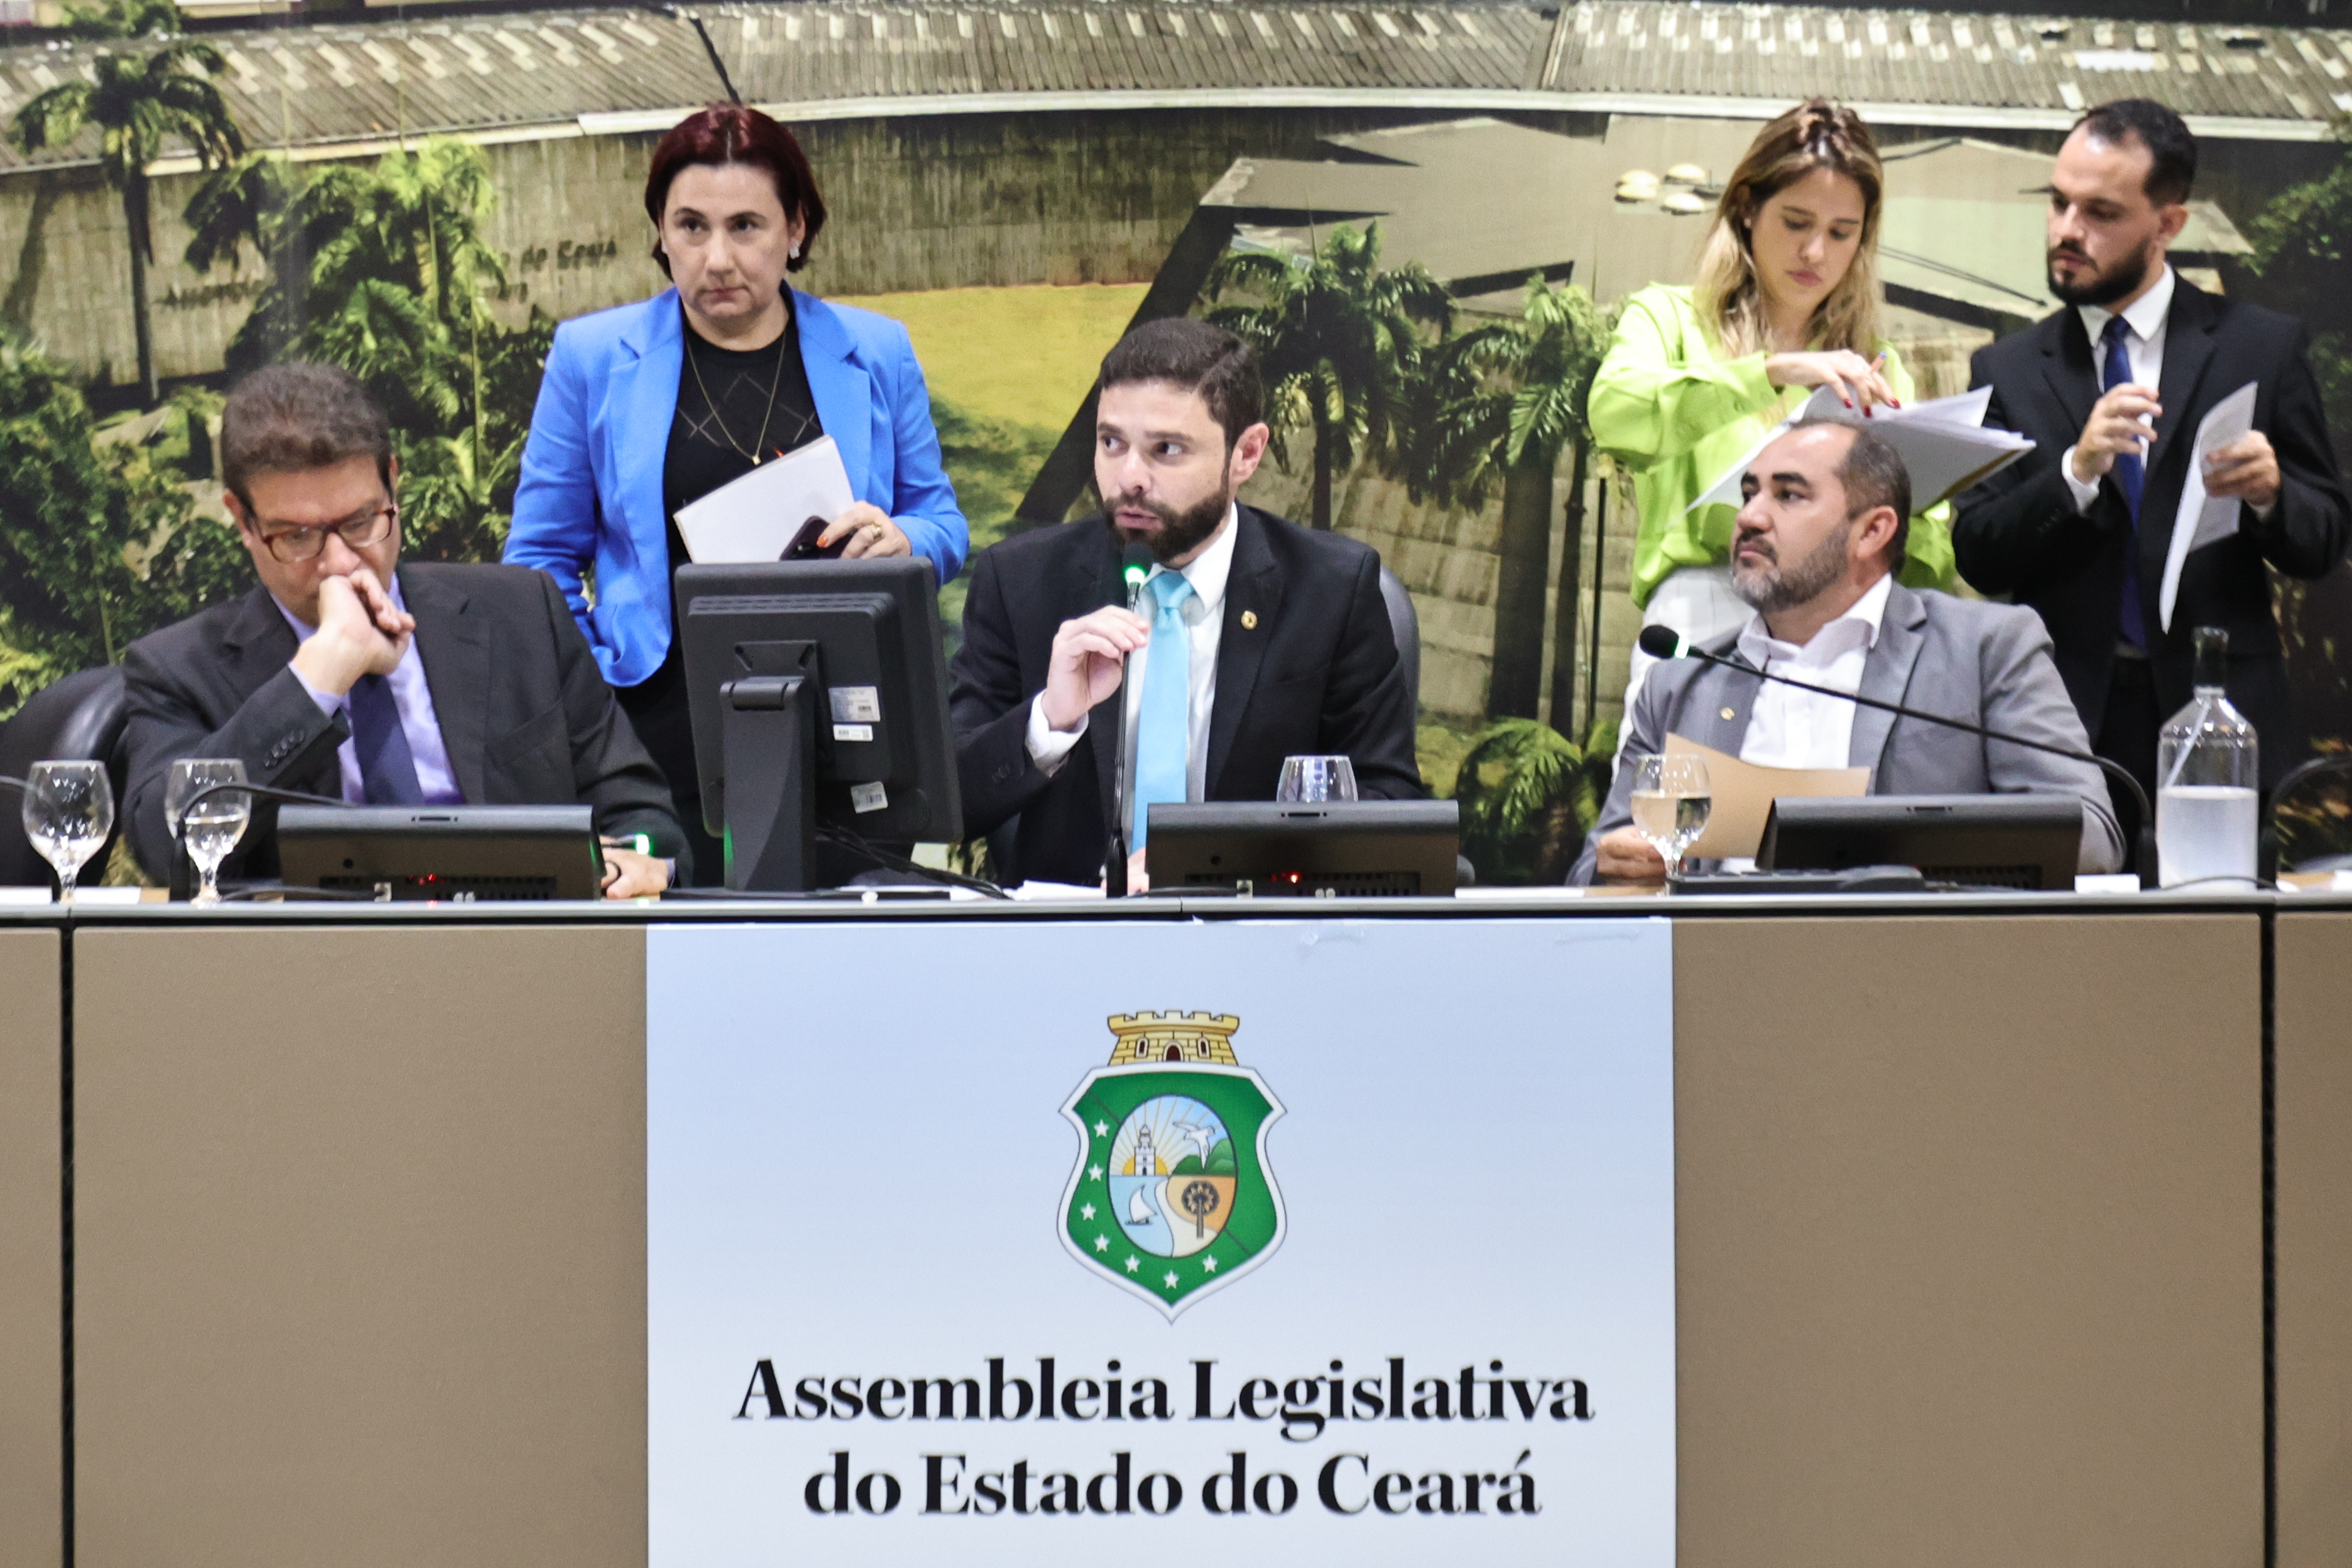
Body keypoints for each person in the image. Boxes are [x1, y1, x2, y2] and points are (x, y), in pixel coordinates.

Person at [506, 103, 968, 878]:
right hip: (655, 728)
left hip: (842, 712)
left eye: (746, 227)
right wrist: (592, 695)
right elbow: (537, 563)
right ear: (661, 233)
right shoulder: (592, 357)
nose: (716, 258)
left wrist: (905, 539)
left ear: (797, 229)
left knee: (837, 932)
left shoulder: (876, 349)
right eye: (691, 227)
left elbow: (943, 522)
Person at [122, 363, 685, 898]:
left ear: (392, 482)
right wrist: (318, 678)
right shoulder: (177, 669)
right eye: (296, 537)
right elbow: (168, 850)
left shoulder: (520, 612)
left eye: (360, 522)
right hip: (313, 959)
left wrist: (636, 862)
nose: (340, 562)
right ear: (243, 521)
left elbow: (642, 816)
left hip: (518, 942)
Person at [1956, 99, 2351, 839]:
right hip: (2061, 724)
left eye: (2100, 212)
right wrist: (2075, 474)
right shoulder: (2007, 368)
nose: (2067, 229)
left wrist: (2273, 495)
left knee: (2219, 917)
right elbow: (1978, 552)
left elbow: (2324, 539)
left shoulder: (2261, 347)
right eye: (2058, 202)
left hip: (2222, 715)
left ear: (2168, 224)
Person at [950, 318, 1421, 889]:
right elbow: (949, 804)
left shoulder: (1331, 590)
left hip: (1250, 928)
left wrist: (1215, 861)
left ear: (1246, 454)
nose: (1129, 478)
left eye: (1166, 449)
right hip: (1069, 931)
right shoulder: (1022, 581)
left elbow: (1389, 805)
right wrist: (1050, 720)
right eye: (1111, 443)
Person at [1572, 420, 2123, 885]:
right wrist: (1619, 866)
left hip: (1913, 963)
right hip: (1722, 965)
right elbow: (1589, 873)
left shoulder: (1982, 651)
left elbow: (2093, 839)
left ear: (1872, 531)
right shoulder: (1681, 685)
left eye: (1788, 495)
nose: (1750, 518)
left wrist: (1894, 849)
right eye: (1749, 494)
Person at [1590, 99, 1957, 730]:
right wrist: (1768, 373)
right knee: (1683, 793)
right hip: (1704, 609)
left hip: (1841, 629)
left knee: (1826, 797)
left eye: (1842, 232)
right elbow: (1615, 413)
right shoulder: (1670, 318)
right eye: (1796, 222)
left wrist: (1903, 518)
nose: (1815, 251)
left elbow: (1930, 547)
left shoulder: (1875, 365)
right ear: (1746, 207)